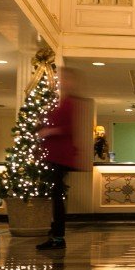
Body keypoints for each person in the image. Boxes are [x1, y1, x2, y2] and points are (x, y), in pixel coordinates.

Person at [37, 67, 81, 250]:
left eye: (64, 78)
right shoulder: (61, 102)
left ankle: (58, 237)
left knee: (57, 196)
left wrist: (49, 131)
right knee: (55, 196)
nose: (61, 81)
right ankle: (56, 235)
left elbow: (69, 128)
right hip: (56, 155)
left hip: (60, 156)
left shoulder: (69, 103)